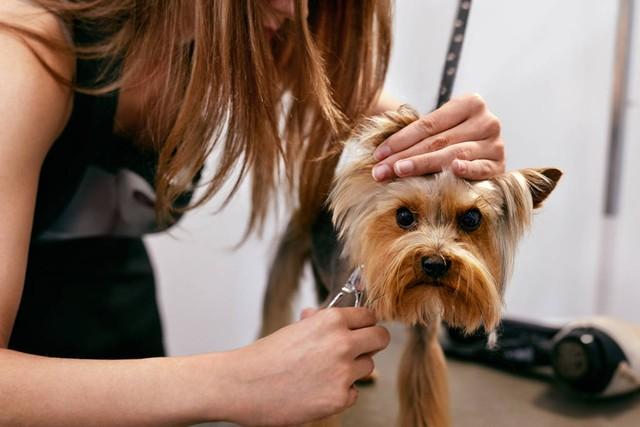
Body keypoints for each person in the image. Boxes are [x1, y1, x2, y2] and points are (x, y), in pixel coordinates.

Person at [0, 0, 505, 425]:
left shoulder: (247, 38)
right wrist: (237, 379)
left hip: (124, 342)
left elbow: (388, 123)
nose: (295, 9)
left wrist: (452, 141)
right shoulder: (25, 55)